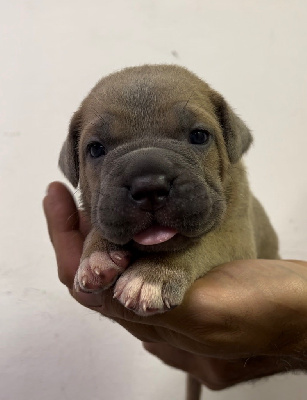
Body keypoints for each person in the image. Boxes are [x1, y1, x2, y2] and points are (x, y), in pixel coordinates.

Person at [43, 181, 307, 390]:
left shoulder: (233, 188)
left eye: (197, 137)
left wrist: (295, 332)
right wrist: (98, 244)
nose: (149, 182)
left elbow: (236, 243)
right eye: (98, 149)